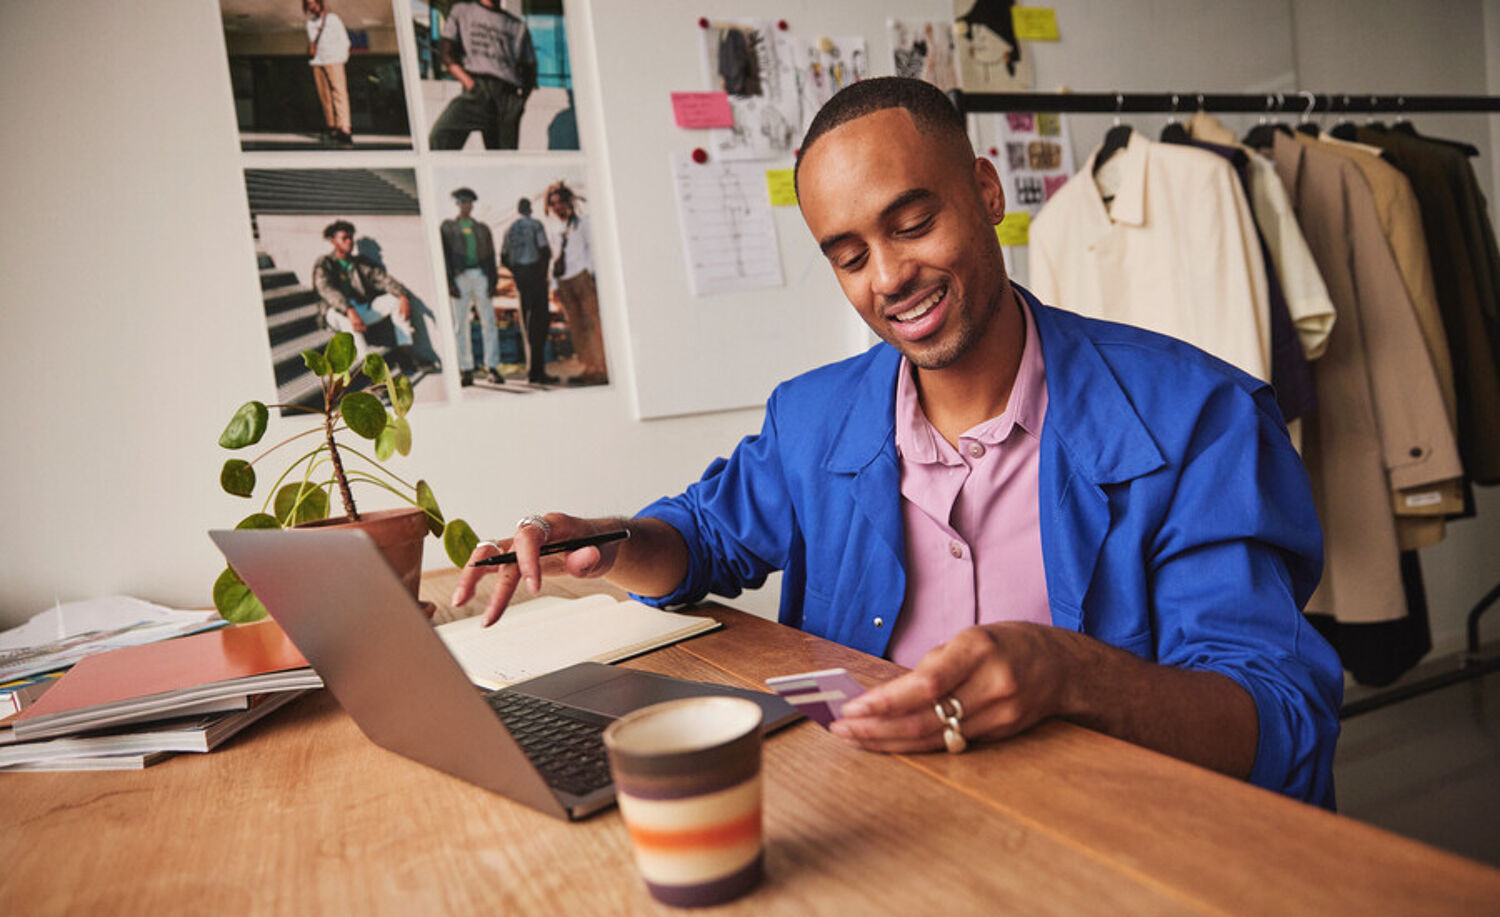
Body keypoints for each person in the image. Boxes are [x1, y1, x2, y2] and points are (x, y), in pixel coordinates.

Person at [453, 77, 1342, 807]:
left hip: (1110, 840)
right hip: (875, 816)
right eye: (848, 255)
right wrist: (604, 543)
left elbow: (1278, 722)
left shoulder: (1198, 417)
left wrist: (1073, 676)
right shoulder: (815, 416)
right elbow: (705, 539)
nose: (889, 278)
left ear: (988, 193)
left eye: (913, 223)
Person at [311, 220, 424, 375]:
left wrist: (402, 295)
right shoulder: (325, 263)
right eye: (344, 238)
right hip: (335, 312)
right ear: (333, 241)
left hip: (359, 308)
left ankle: (405, 355)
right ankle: (371, 374)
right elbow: (326, 290)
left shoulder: (360, 263)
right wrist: (348, 310)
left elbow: (382, 279)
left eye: (351, 238)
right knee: (347, 321)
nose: (349, 242)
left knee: (395, 301)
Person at [428, 0, 537, 151]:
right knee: (441, 136)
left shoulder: (518, 26)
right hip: (477, 88)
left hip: (507, 95)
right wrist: (471, 85)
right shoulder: (462, 11)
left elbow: (530, 69)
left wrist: (519, 102)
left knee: (504, 160)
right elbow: (447, 54)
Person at [544, 181, 608, 386]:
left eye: (559, 203)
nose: (557, 208)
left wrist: (591, 274)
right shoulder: (555, 229)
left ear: (568, 202)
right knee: (576, 326)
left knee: (593, 322)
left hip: (582, 276)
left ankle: (601, 367)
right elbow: (553, 259)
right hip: (564, 281)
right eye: (552, 204)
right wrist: (554, 286)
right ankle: (588, 367)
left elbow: (593, 248)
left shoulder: (583, 223)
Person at [440, 187, 503, 386]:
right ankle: (466, 369)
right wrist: (449, 282)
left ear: (472, 204)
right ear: (456, 204)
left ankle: (491, 367)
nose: (464, 205)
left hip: (480, 274)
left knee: (489, 321)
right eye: (461, 201)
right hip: (460, 276)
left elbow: (491, 256)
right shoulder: (448, 228)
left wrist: (493, 281)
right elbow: (444, 256)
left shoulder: (482, 228)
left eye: (467, 201)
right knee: (460, 324)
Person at [501, 197, 558, 385]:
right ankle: (537, 371)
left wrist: (517, 272)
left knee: (527, 323)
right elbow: (545, 251)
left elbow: (504, 257)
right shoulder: (535, 225)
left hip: (522, 278)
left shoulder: (510, 229)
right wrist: (541, 275)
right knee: (540, 323)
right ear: (530, 209)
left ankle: (532, 370)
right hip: (536, 275)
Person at [304, 0, 353, 146]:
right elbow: (313, 41)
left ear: (320, 3)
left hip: (335, 60)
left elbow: (344, 40)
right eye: (309, 4)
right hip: (318, 62)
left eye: (314, 3)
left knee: (339, 93)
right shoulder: (309, 23)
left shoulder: (333, 19)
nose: (312, 6)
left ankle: (344, 127)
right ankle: (332, 127)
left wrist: (342, 58)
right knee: (324, 95)